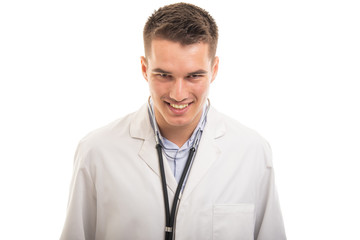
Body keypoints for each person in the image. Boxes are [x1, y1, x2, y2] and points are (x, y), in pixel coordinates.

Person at [60, 3, 286, 240]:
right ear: (144, 69)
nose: (178, 94)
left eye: (194, 76)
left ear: (214, 69)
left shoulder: (252, 151)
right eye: (164, 75)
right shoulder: (96, 151)